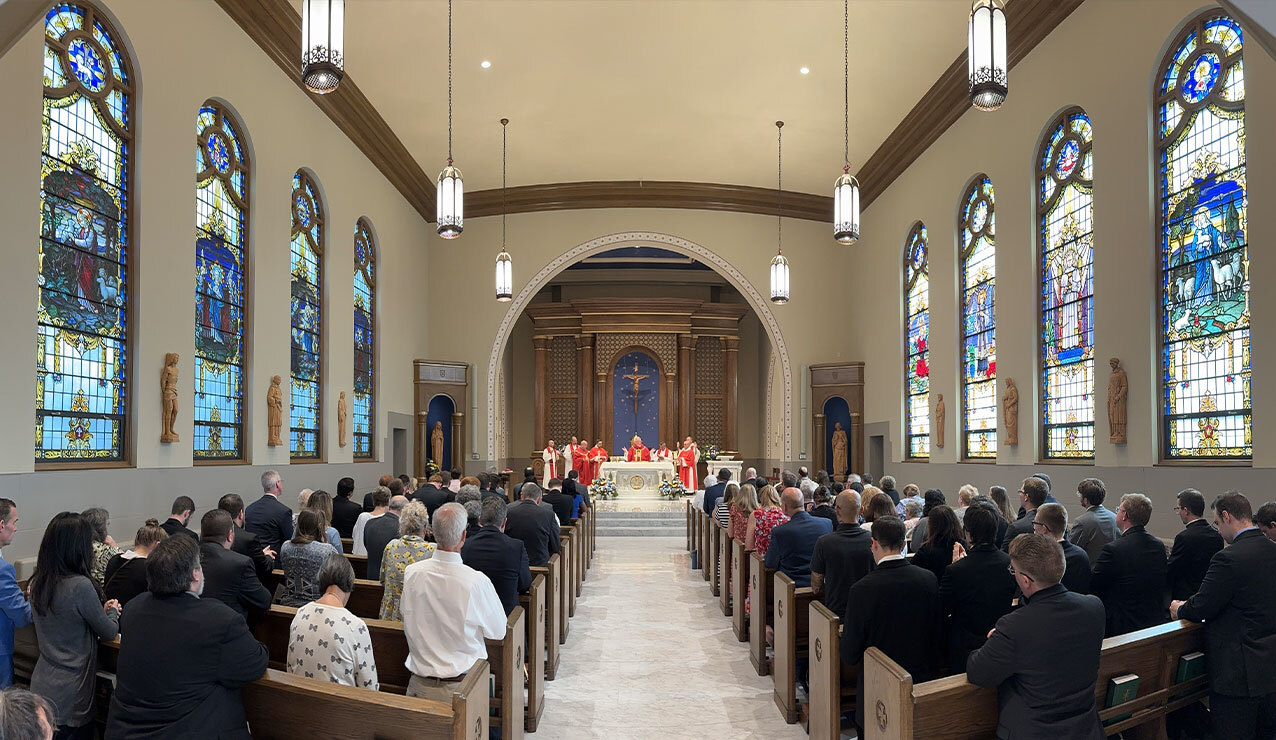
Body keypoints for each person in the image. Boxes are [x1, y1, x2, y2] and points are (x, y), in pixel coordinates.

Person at [105, 535, 270, 738]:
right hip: (187, 731)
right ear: (195, 575)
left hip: (126, 730)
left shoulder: (133, 608)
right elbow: (255, 663)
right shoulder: (219, 620)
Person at [966, 534, 1106, 740]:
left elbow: (978, 672)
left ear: (1025, 580)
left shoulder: (1014, 626)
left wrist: (995, 642)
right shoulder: (1094, 607)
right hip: (1085, 729)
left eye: (1013, 569)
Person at [1171, 491, 1276, 740]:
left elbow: (1202, 606)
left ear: (1227, 516)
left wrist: (1179, 609)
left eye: (1217, 523)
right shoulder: (1272, 549)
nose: (1218, 530)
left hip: (1238, 673)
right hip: (1270, 666)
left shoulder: (1228, 558)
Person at [841, 516, 941, 737]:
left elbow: (849, 652)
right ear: (904, 545)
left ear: (874, 544)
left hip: (877, 685)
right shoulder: (928, 579)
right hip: (919, 680)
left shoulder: (861, 589)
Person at [400, 503, 506, 705]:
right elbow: (498, 631)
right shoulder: (476, 582)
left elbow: (405, 613)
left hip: (418, 686)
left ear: (431, 531)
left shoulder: (412, 573)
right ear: (463, 536)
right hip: (461, 691)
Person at [28, 513, 120, 738]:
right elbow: (108, 631)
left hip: (42, 683)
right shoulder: (80, 586)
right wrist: (112, 612)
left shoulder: (38, 581)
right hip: (72, 693)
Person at [941, 504, 1015, 675]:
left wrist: (957, 565)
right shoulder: (1010, 563)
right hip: (999, 639)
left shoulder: (955, 570)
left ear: (968, 533)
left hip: (965, 646)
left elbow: (943, 607)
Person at [289, 554, 379, 690]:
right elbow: (370, 688)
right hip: (338, 708)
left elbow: (291, 668)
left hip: (300, 702)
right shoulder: (355, 626)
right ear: (349, 584)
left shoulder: (300, 614)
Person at [1090, 492, 1168, 637]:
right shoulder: (1158, 545)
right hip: (1152, 620)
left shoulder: (1114, 549)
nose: (1117, 513)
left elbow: (1095, 585)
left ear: (1124, 515)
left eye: (1118, 510)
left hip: (1122, 624)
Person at [462, 497, 532, 616]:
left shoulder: (465, 546)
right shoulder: (516, 547)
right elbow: (524, 584)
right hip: (507, 616)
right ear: (504, 522)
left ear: (480, 521)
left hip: (474, 616)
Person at [810, 490, 873, 621]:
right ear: (861, 510)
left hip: (836, 613)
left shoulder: (824, 542)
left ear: (837, 511)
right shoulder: (873, 541)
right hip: (867, 610)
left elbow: (816, 586)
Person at [198, 509, 271, 620]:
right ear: (229, 535)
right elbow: (264, 601)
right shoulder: (240, 563)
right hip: (228, 630)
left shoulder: (188, 558)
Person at [378, 501, 435, 621]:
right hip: (418, 615)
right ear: (425, 528)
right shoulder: (432, 550)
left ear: (401, 527)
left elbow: (382, 579)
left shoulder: (391, 546)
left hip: (390, 614)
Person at [764, 488, 833, 588]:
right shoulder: (826, 523)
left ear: (784, 506)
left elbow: (770, 563)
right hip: (822, 586)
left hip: (791, 588)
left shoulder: (780, 531)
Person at [1167, 487, 1224, 601]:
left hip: (1186, 598)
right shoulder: (1217, 536)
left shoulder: (1183, 537)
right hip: (1209, 595)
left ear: (1186, 510)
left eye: (1178, 509)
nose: (1178, 513)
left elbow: (1171, 570)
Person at [277, 510, 340, 607]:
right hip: (317, 605)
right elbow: (339, 575)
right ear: (319, 526)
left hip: (288, 601)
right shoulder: (327, 550)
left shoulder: (285, 547)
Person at [0, 499, 31, 689]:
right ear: (2, 525)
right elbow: (22, 616)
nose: (16, 528)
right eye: (14, 522)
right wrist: (36, 599)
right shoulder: (3, 570)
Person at [102, 519, 167, 608]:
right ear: (158, 545)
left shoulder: (114, 559)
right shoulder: (149, 569)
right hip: (131, 617)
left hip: (110, 614)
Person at [218, 493, 276, 589]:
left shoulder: (210, 535)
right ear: (241, 514)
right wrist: (267, 557)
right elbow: (265, 567)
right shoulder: (249, 539)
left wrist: (260, 554)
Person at [1033, 503, 1091, 594]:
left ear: (1044, 528)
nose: (1034, 528)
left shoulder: (1041, 558)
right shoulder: (1082, 555)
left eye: (1035, 523)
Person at [504, 483, 562, 568]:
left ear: (521, 497)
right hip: (540, 564)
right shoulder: (549, 515)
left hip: (514, 563)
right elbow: (555, 545)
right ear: (539, 500)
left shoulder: (509, 513)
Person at [1068, 477, 1120, 567]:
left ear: (1085, 500)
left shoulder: (1081, 522)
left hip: (1091, 573)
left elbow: (1071, 550)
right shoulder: (1115, 518)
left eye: (1080, 495)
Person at [911, 505, 966, 583]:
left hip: (933, 590)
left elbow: (913, 570)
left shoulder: (926, 549)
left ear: (932, 526)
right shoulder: (963, 546)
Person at [246, 470, 295, 551]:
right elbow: (289, 541)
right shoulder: (284, 512)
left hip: (254, 559)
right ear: (277, 484)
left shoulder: (249, 509)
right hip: (274, 559)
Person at [365, 495, 407, 580]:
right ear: (404, 510)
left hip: (371, 575)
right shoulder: (401, 529)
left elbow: (366, 545)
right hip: (391, 580)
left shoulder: (369, 523)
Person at [79, 508, 120, 588]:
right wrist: (115, 546)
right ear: (101, 528)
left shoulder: (77, 546)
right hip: (103, 594)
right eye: (106, 524)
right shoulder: (105, 550)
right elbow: (126, 564)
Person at [744, 484, 788, 557]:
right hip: (783, 558)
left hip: (762, 560)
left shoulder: (756, 514)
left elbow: (749, 545)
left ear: (761, 498)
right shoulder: (785, 513)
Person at [353, 486, 390, 556]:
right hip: (373, 560)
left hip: (357, 556)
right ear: (388, 502)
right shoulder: (387, 520)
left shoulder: (362, 516)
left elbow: (354, 535)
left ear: (373, 502)